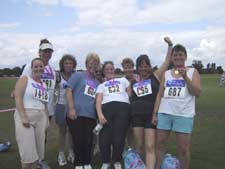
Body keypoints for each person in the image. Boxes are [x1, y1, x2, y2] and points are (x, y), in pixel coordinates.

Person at [152, 44, 201, 169]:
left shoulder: (192, 72)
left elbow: (197, 93)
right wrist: (155, 113)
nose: (178, 57)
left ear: (185, 57)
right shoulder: (167, 74)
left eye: (181, 55)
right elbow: (159, 95)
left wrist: (185, 77)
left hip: (183, 115)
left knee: (183, 149)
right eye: (175, 55)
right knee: (160, 144)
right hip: (164, 113)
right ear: (172, 58)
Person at [130, 37, 173, 169]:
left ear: (149, 66)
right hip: (136, 116)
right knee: (139, 146)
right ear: (137, 68)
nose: (143, 68)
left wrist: (170, 45)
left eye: (146, 65)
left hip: (151, 116)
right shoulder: (133, 81)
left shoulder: (155, 76)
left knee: (150, 146)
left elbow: (166, 62)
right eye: (141, 66)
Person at [21, 38, 56, 169]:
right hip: (31, 109)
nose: (47, 53)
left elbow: (52, 89)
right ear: (39, 52)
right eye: (45, 51)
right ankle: (30, 163)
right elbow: (22, 84)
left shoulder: (52, 70)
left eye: (50, 51)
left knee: (42, 138)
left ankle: (39, 161)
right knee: (30, 139)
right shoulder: (31, 67)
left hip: (47, 111)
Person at [66, 53, 100, 169]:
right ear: (86, 64)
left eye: (96, 64)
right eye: (91, 63)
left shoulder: (97, 82)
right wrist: (71, 108)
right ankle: (79, 164)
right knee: (78, 140)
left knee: (88, 141)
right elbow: (69, 90)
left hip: (90, 115)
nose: (93, 66)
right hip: (76, 114)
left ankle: (87, 162)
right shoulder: (78, 76)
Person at [96, 61, 132, 169]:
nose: (109, 71)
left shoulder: (122, 80)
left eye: (111, 69)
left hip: (122, 110)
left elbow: (129, 92)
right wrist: (100, 115)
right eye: (107, 69)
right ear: (103, 71)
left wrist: (123, 100)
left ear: (114, 70)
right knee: (105, 138)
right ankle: (106, 161)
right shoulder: (102, 85)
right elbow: (98, 100)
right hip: (106, 110)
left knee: (119, 138)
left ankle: (117, 160)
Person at [14, 58, 49, 169]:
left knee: (36, 155)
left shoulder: (44, 85)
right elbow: (18, 97)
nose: (38, 68)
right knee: (28, 154)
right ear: (31, 68)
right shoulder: (25, 79)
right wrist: (23, 116)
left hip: (41, 118)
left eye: (41, 66)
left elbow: (45, 104)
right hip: (25, 116)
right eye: (36, 66)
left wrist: (47, 119)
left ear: (44, 68)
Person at [54, 54, 77, 166]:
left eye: (70, 63)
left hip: (72, 107)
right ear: (62, 64)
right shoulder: (58, 76)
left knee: (72, 132)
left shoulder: (76, 75)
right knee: (62, 131)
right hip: (60, 105)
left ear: (73, 65)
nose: (68, 65)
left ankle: (71, 152)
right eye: (66, 63)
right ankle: (61, 154)